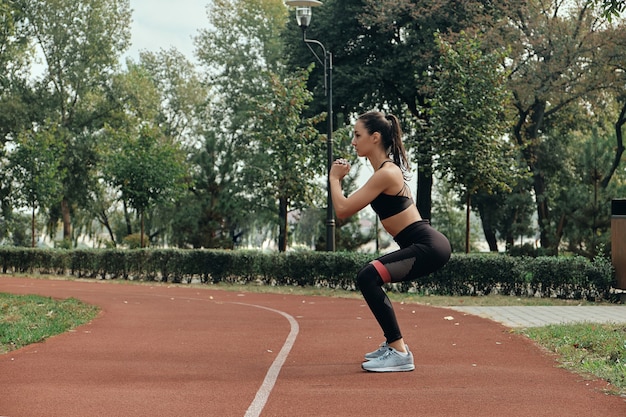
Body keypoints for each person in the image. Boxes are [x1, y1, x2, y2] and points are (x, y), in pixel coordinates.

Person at [329, 111, 451, 373]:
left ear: (375, 137)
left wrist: (334, 179)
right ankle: (394, 345)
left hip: (428, 245)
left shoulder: (386, 173)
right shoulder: (383, 172)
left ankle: (399, 351)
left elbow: (342, 209)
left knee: (367, 277)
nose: (353, 141)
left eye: (357, 135)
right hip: (422, 244)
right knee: (369, 276)